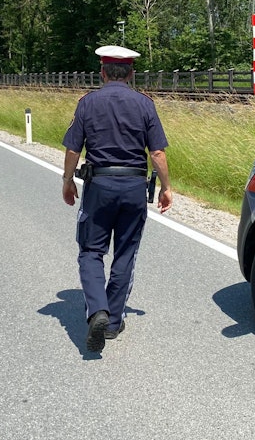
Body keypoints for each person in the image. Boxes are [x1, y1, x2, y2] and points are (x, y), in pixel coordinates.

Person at [61, 45, 172, 353]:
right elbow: (157, 153)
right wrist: (166, 187)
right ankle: (111, 323)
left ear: (103, 72)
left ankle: (97, 310)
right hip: (134, 187)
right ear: (131, 74)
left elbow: (73, 150)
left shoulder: (87, 103)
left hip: (99, 186)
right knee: (125, 253)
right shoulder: (145, 105)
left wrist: (68, 180)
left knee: (91, 251)